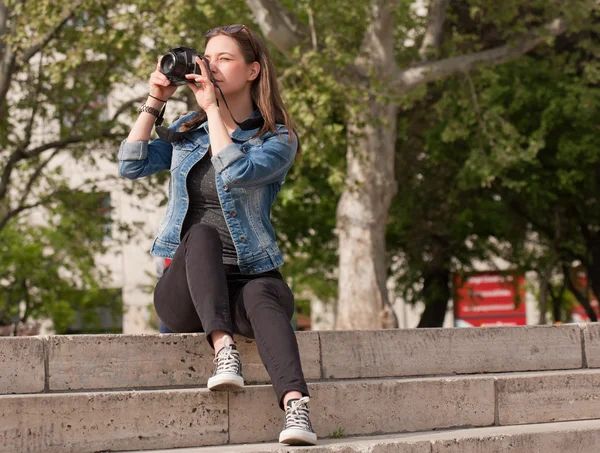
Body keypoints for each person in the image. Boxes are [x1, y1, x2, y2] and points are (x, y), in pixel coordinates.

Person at [117, 24, 317, 446]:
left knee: (266, 295)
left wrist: (212, 110)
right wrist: (156, 99)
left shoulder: (276, 138)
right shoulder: (188, 135)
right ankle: (223, 348)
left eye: (225, 58)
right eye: (209, 58)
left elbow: (237, 171)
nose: (212, 66)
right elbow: (131, 164)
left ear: (253, 71)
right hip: (186, 292)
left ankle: (296, 408)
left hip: (247, 277)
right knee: (203, 236)